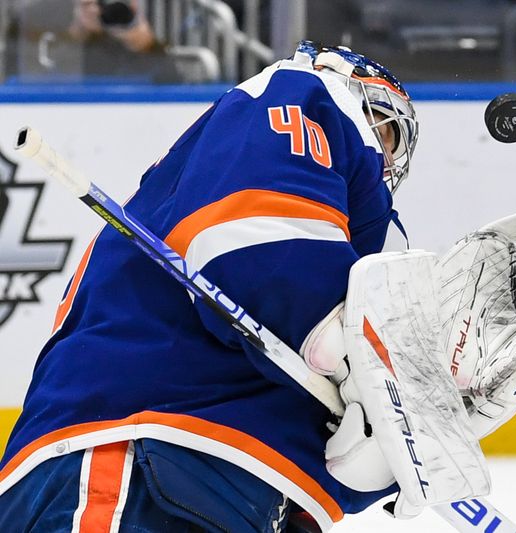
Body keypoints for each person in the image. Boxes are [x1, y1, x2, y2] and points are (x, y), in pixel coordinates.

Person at [0, 41, 417, 532]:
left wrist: (382, 459)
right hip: (138, 451)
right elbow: (260, 247)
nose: (386, 157)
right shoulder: (299, 92)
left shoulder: (333, 233)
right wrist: (364, 360)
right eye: (384, 132)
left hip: (214, 478)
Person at [68, 0, 183, 83]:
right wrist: (76, 36)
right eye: (88, 5)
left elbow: (172, 82)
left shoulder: (144, 45)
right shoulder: (71, 47)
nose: (96, 11)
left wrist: (149, 47)